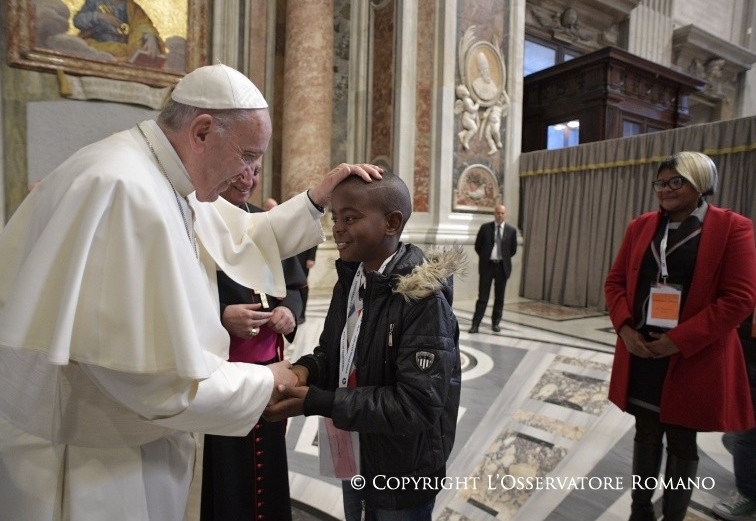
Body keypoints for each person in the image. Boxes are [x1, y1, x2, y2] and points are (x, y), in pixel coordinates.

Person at [0, 63, 382, 521]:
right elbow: (151, 383)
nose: (247, 174)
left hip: (129, 443)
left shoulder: (162, 175)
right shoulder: (125, 188)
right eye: (247, 156)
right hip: (97, 459)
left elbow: (241, 236)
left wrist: (315, 200)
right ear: (202, 132)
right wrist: (267, 381)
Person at [264, 172, 466, 520]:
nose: (337, 229)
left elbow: (416, 405)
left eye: (350, 218)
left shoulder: (421, 299)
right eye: (335, 218)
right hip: (355, 446)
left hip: (402, 470)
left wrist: (318, 401)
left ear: (391, 223)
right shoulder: (353, 279)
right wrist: (303, 371)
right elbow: (334, 353)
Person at [604, 151, 756, 521]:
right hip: (642, 349)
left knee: (682, 439)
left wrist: (678, 341)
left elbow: (739, 298)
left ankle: (673, 516)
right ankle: (640, 511)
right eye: (661, 182)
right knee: (645, 431)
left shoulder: (733, 227)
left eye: (677, 181)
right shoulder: (641, 226)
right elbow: (616, 282)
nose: (666, 189)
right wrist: (625, 329)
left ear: (701, 183)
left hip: (692, 355)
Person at [200, 169, 307, 520]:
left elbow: (295, 287)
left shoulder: (265, 223)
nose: (248, 179)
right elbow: (176, 299)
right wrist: (221, 315)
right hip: (221, 373)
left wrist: (289, 312)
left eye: (256, 170)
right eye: (240, 169)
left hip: (270, 370)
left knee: (269, 467)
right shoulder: (197, 222)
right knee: (226, 471)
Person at [713, 310, 756, 520]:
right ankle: (748, 493)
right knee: (747, 429)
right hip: (750, 353)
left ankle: (749, 493)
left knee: (747, 432)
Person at [469, 204, 517, 333]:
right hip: (487, 267)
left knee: (499, 298)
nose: (500, 215)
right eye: (498, 213)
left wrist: (502, 258)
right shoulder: (485, 228)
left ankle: (496, 323)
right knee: (483, 297)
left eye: (502, 213)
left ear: (505, 214)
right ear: (494, 214)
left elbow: (513, 250)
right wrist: (486, 257)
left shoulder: (511, 231)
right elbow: (478, 246)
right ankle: (475, 324)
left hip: (502, 267)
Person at [73, 0, 165, 64]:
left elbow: (142, 24)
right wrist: (99, 16)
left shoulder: (132, 7)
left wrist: (150, 37)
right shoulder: (95, 2)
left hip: (124, 52)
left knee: (137, 55)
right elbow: (78, 21)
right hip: (98, 47)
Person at [297, 245, 318, 323]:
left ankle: (301, 315)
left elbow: (313, 239)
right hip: (289, 257)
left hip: (302, 256)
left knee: (302, 285)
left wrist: (311, 257)